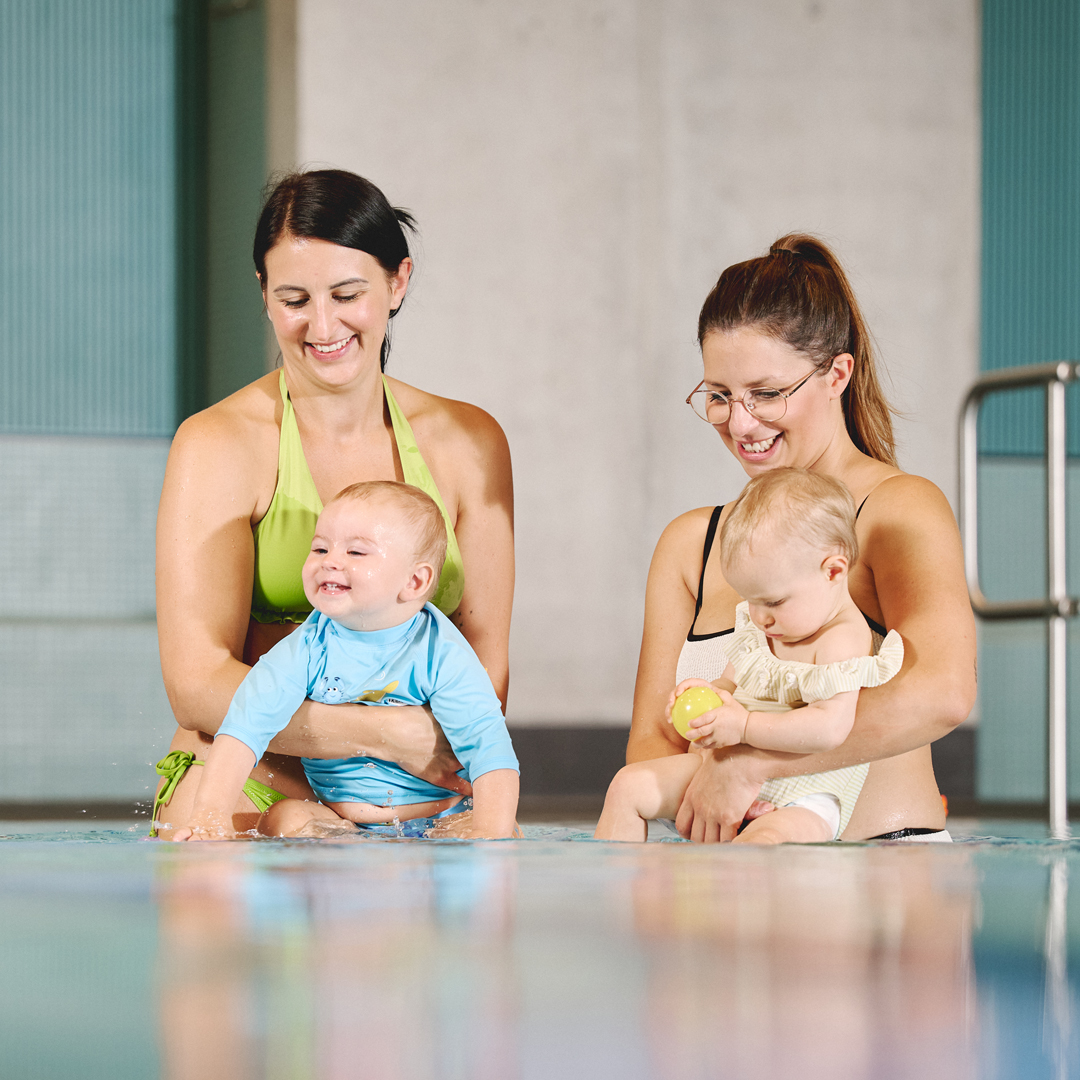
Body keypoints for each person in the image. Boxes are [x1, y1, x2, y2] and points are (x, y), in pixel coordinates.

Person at [152, 170, 514, 837]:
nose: (323, 326)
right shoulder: (217, 445)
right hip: (248, 772)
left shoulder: (469, 443)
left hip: (415, 785)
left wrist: (406, 755)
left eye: (348, 294)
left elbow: (485, 663)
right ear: (264, 293)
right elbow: (196, 682)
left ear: (397, 282)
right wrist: (378, 733)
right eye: (295, 299)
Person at [626, 234, 976, 843]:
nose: (740, 423)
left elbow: (943, 693)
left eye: (766, 394)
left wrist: (752, 763)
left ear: (837, 373)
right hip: (731, 890)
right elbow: (650, 748)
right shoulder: (692, 545)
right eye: (720, 397)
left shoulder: (895, 510)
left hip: (886, 895)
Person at [168, 481, 519, 841]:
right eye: (320, 548)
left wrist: (490, 836)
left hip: (441, 814)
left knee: (490, 828)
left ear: (414, 581)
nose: (329, 561)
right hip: (340, 819)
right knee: (283, 818)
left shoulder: (440, 654)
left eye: (356, 553)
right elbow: (243, 729)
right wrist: (209, 817)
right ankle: (346, 852)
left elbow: (489, 750)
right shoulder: (306, 647)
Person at [596, 468, 903, 843]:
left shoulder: (840, 639)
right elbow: (732, 682)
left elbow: (829, 728)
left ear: (833, 571)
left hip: (802, 793)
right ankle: (621, 888)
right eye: (750, 599)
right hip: (719, 768)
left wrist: (742, 728)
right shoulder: (764, 624)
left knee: (763, 843)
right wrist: (708, 695)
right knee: (627, 786)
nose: (759, 616)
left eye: (772, 601)